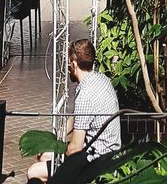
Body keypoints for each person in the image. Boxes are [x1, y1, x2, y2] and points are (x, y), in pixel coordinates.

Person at [24, 38, 120, 180]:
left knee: (33, 172)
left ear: (74, 64)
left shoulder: (86, 94)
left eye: (69, 63)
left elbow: (75, 149)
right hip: (108, 152)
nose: (68, 67)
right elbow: (77, 117)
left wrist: (58, 151)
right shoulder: (101, 79)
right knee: (44, 155)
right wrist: (54, 140)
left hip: (96, 162)